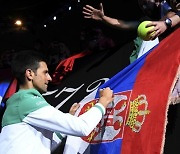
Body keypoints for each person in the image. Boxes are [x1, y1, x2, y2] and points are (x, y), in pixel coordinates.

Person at [0, 50, 114, 154]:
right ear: (30, 74)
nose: (49, 78)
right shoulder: (27, 102)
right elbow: (82, 127)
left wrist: (68, 118)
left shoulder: (19, 103)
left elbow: (47, 146)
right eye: (45, 72)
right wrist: (103, 102)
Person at [82, 0, 180, 62]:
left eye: (145, 3)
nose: (144, 7)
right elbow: (124, 24)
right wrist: (103, 18)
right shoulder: (147, 21)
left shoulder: (171, 10)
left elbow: (172, 16)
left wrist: (166, 23)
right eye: (141, 6)